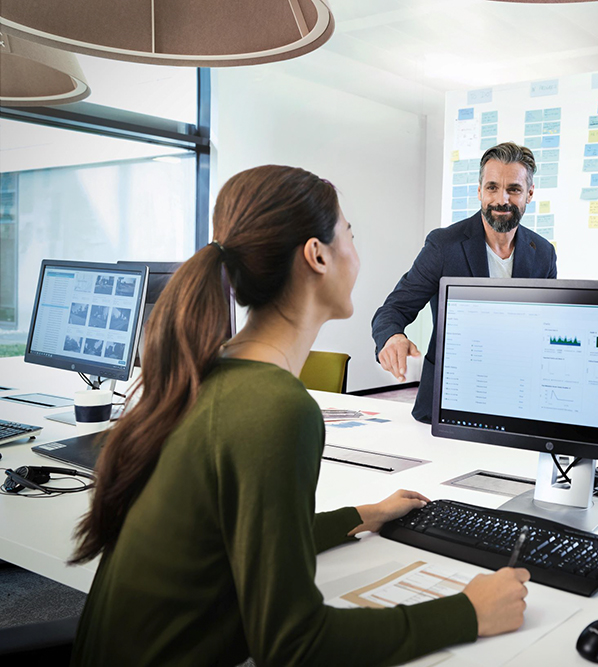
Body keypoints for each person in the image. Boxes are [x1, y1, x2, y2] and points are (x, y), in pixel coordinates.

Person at [70, 165, 530, 666]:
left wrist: (362, 516)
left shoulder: (213, 373)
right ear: (316, 256)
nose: (356, 253)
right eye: (349, 236)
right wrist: (469, 612)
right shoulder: (278, 409)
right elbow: (294, 645)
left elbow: (252, 537)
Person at [372, 142, 557, 423]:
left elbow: (548, 327)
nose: (501, 199)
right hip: (448, 400)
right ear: (479, 190)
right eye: (492, 187)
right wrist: (392, 337)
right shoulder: (444, 245)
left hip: (518, 400)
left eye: (514, 189)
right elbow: (393, 309)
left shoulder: (543, 252)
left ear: (529, 193)